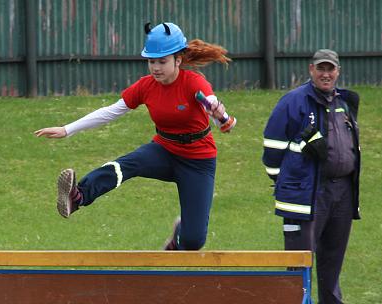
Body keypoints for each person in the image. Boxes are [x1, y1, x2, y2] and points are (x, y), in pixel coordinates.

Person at [35, 22, 235, 250]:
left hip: (198, 162)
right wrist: (67, 129)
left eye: (162, 61)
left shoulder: (195, 83)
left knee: (194, 241)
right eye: (151, 61)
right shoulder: (146, 86)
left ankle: (179, 237)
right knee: (126, 165)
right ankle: (78, 196)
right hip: (164, 150)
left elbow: (226, 123)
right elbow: (111, 111)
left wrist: (220, 114)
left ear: (178, 60)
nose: (156, 68)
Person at [262, 49, 363, 304]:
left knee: (334, 250)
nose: (326, 74)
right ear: (311, 70)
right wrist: (284, 182)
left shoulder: (344, 102)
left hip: (341, 189)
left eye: (331, 69)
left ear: (338, 71)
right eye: (321, 69)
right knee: (300, 253)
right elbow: (272, 146)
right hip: (305, 192)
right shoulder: (293, 102)